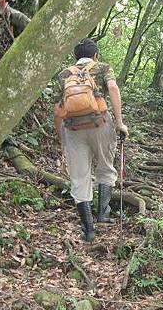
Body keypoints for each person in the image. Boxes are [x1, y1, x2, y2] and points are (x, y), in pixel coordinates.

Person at [53, 38, 128, 242]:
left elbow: (58, 110)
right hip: (101, 124)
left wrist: (62, 140)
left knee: (79, 177)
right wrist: (120, 123)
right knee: (105, 167)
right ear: (95, 55)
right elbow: (112, 88)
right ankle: (103, 214)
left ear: (75, 57)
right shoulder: (103, 68)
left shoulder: (63, 74)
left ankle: (89, 230)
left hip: (73, 129)